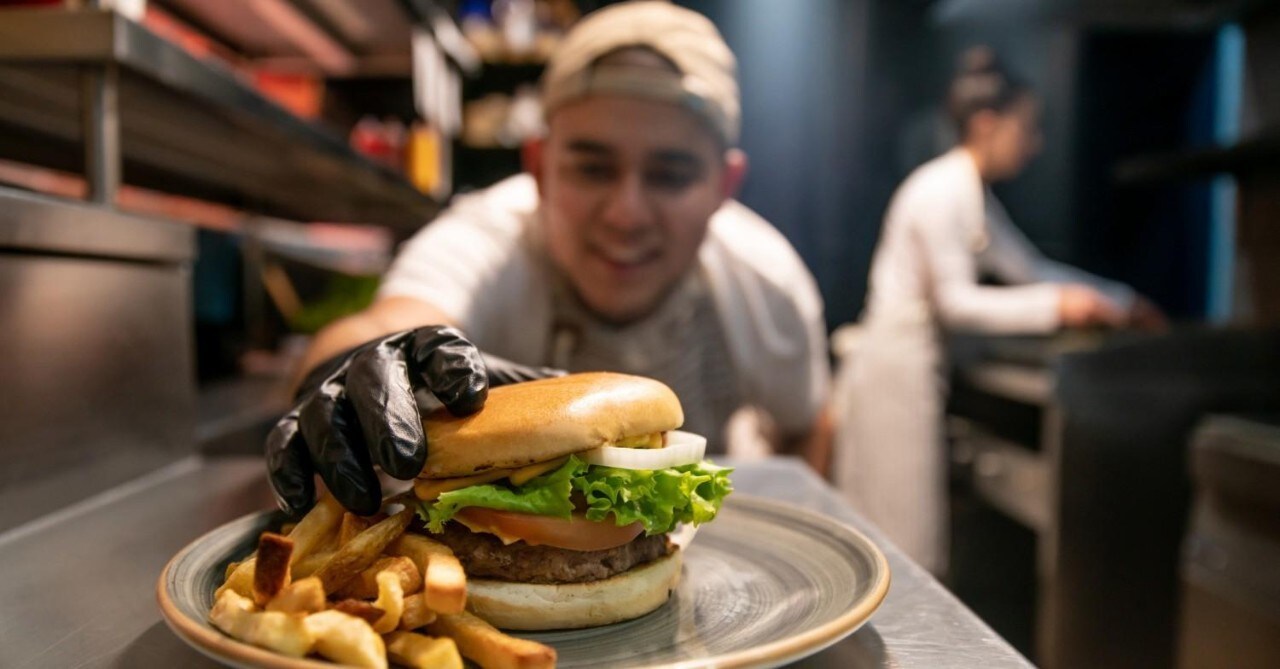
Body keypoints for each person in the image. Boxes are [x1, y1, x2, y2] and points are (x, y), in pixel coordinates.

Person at [266, 1, 830, 517]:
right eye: (592, 168)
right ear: (537, 166)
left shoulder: (765, 282)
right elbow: (387, 323)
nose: (626, 214)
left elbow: (810, 423)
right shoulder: (489, 237)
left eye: (672, 175)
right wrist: (342, 372)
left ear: (723, 187)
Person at [832, 48, 1164, 575]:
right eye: (1027, 127)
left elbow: (1028, 266)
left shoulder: (971, 193)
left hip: (910, 370)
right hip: (892, 374)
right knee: (902, 542)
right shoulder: (943, 190)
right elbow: (956, 304)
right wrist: (1059, 307)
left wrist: (1119, 299)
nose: (1034, 144)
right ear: (987, 124)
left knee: (899, 537)